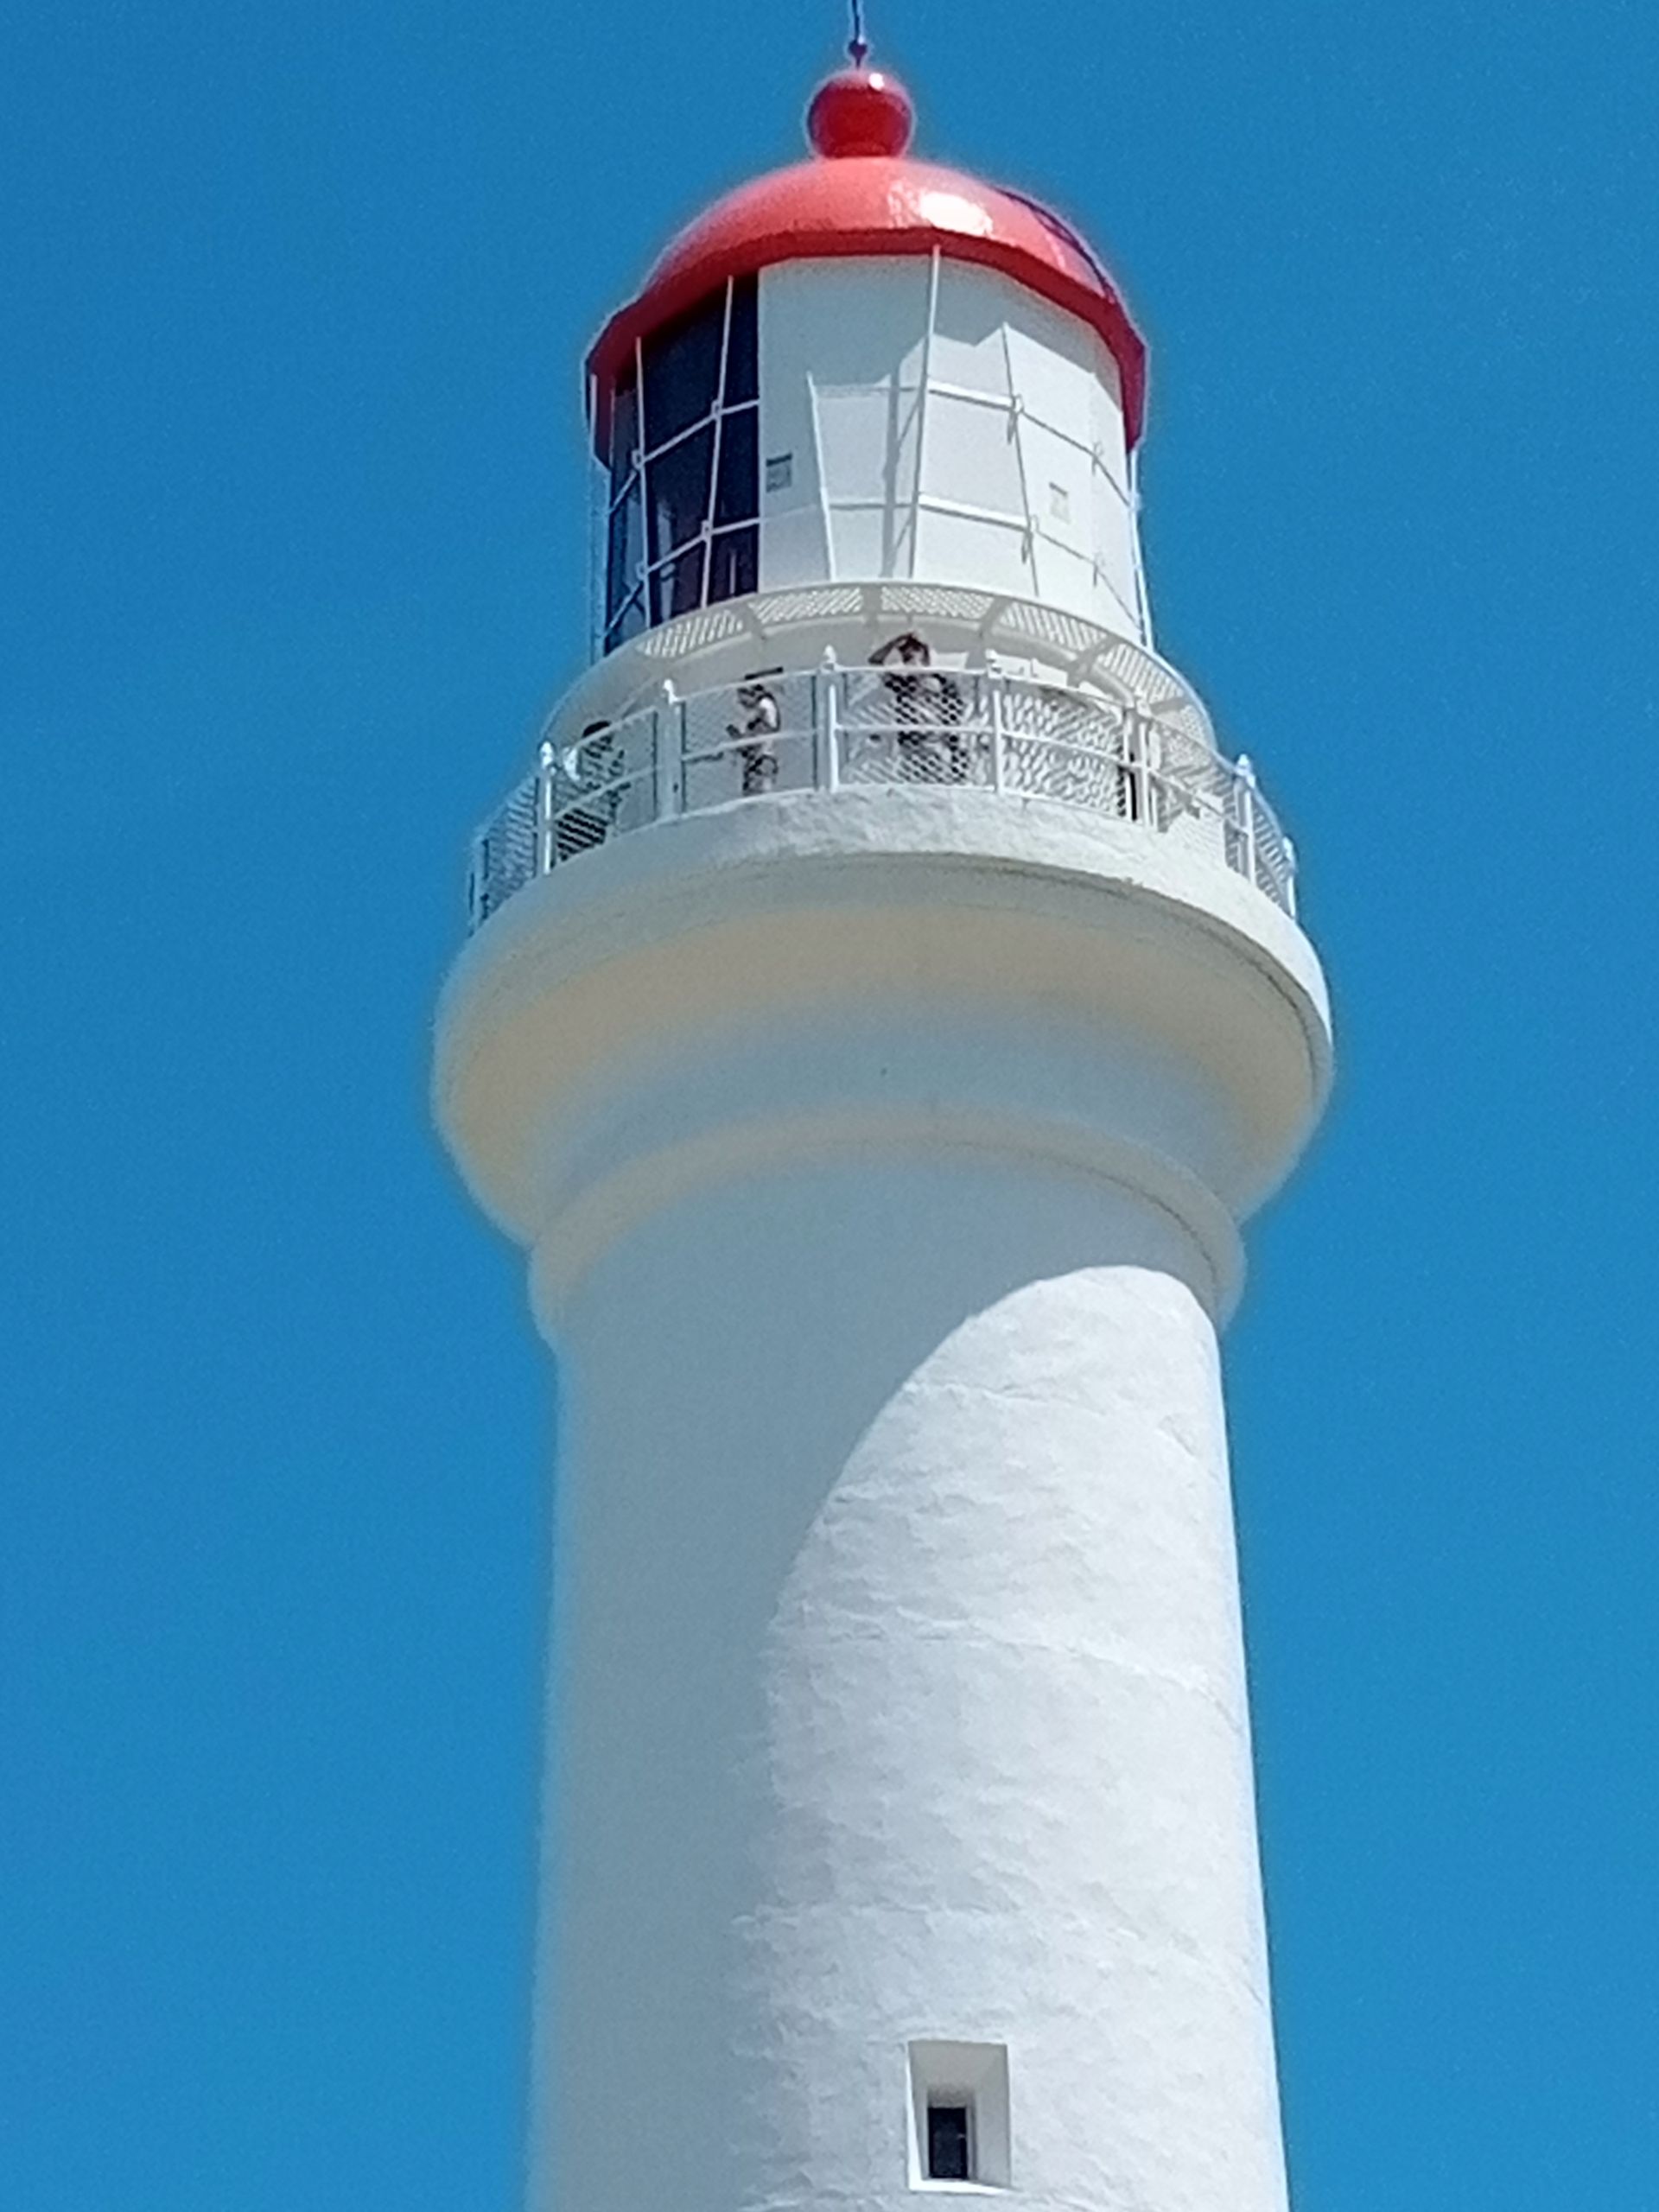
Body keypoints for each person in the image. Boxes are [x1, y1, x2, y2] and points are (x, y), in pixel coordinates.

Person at [868, 632, 967, 782]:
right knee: (912, 786)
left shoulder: (943, 684)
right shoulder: (903, 684)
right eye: (906, 659)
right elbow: (875, 662)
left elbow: (955, 713)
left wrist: (954, 746)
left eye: (912, 657)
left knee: (938, 785)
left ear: (925, 659)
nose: (909, 663)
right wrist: (894, 643)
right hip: (910, 745)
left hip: (937, 744)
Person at [555, 719, 620, 857]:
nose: (605, 744)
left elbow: (612, 794)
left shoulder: (607, 764)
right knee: (572, 857)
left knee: (592, 857)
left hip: (597, 820)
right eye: (603, 738)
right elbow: (575, 778)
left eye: (608, 740)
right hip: (576, 816)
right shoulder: (575, 756)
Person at [728, 678, 781, 797]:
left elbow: (755, 717)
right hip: (758, 755)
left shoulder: (764, 705)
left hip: (763, 755)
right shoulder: (759, 716)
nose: (741, 704)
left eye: (743, 700)